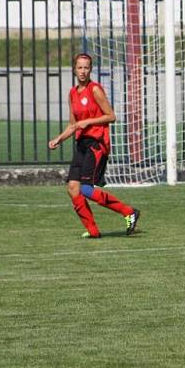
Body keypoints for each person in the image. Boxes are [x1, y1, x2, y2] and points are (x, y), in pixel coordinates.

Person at [48, 53, 140, 238]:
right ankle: (93, 231)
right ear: (74, 69)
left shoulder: (95, 90)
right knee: (73, 188)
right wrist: (59, 138)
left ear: (91, 69)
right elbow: (73, 124)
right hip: (81, 144)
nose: (83, 71)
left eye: (86, 67)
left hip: (96, 144)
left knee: (86, 189)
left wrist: (89, 121)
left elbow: (111, 116)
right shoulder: (72, 93)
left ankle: (128, 212)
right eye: (80, 67)